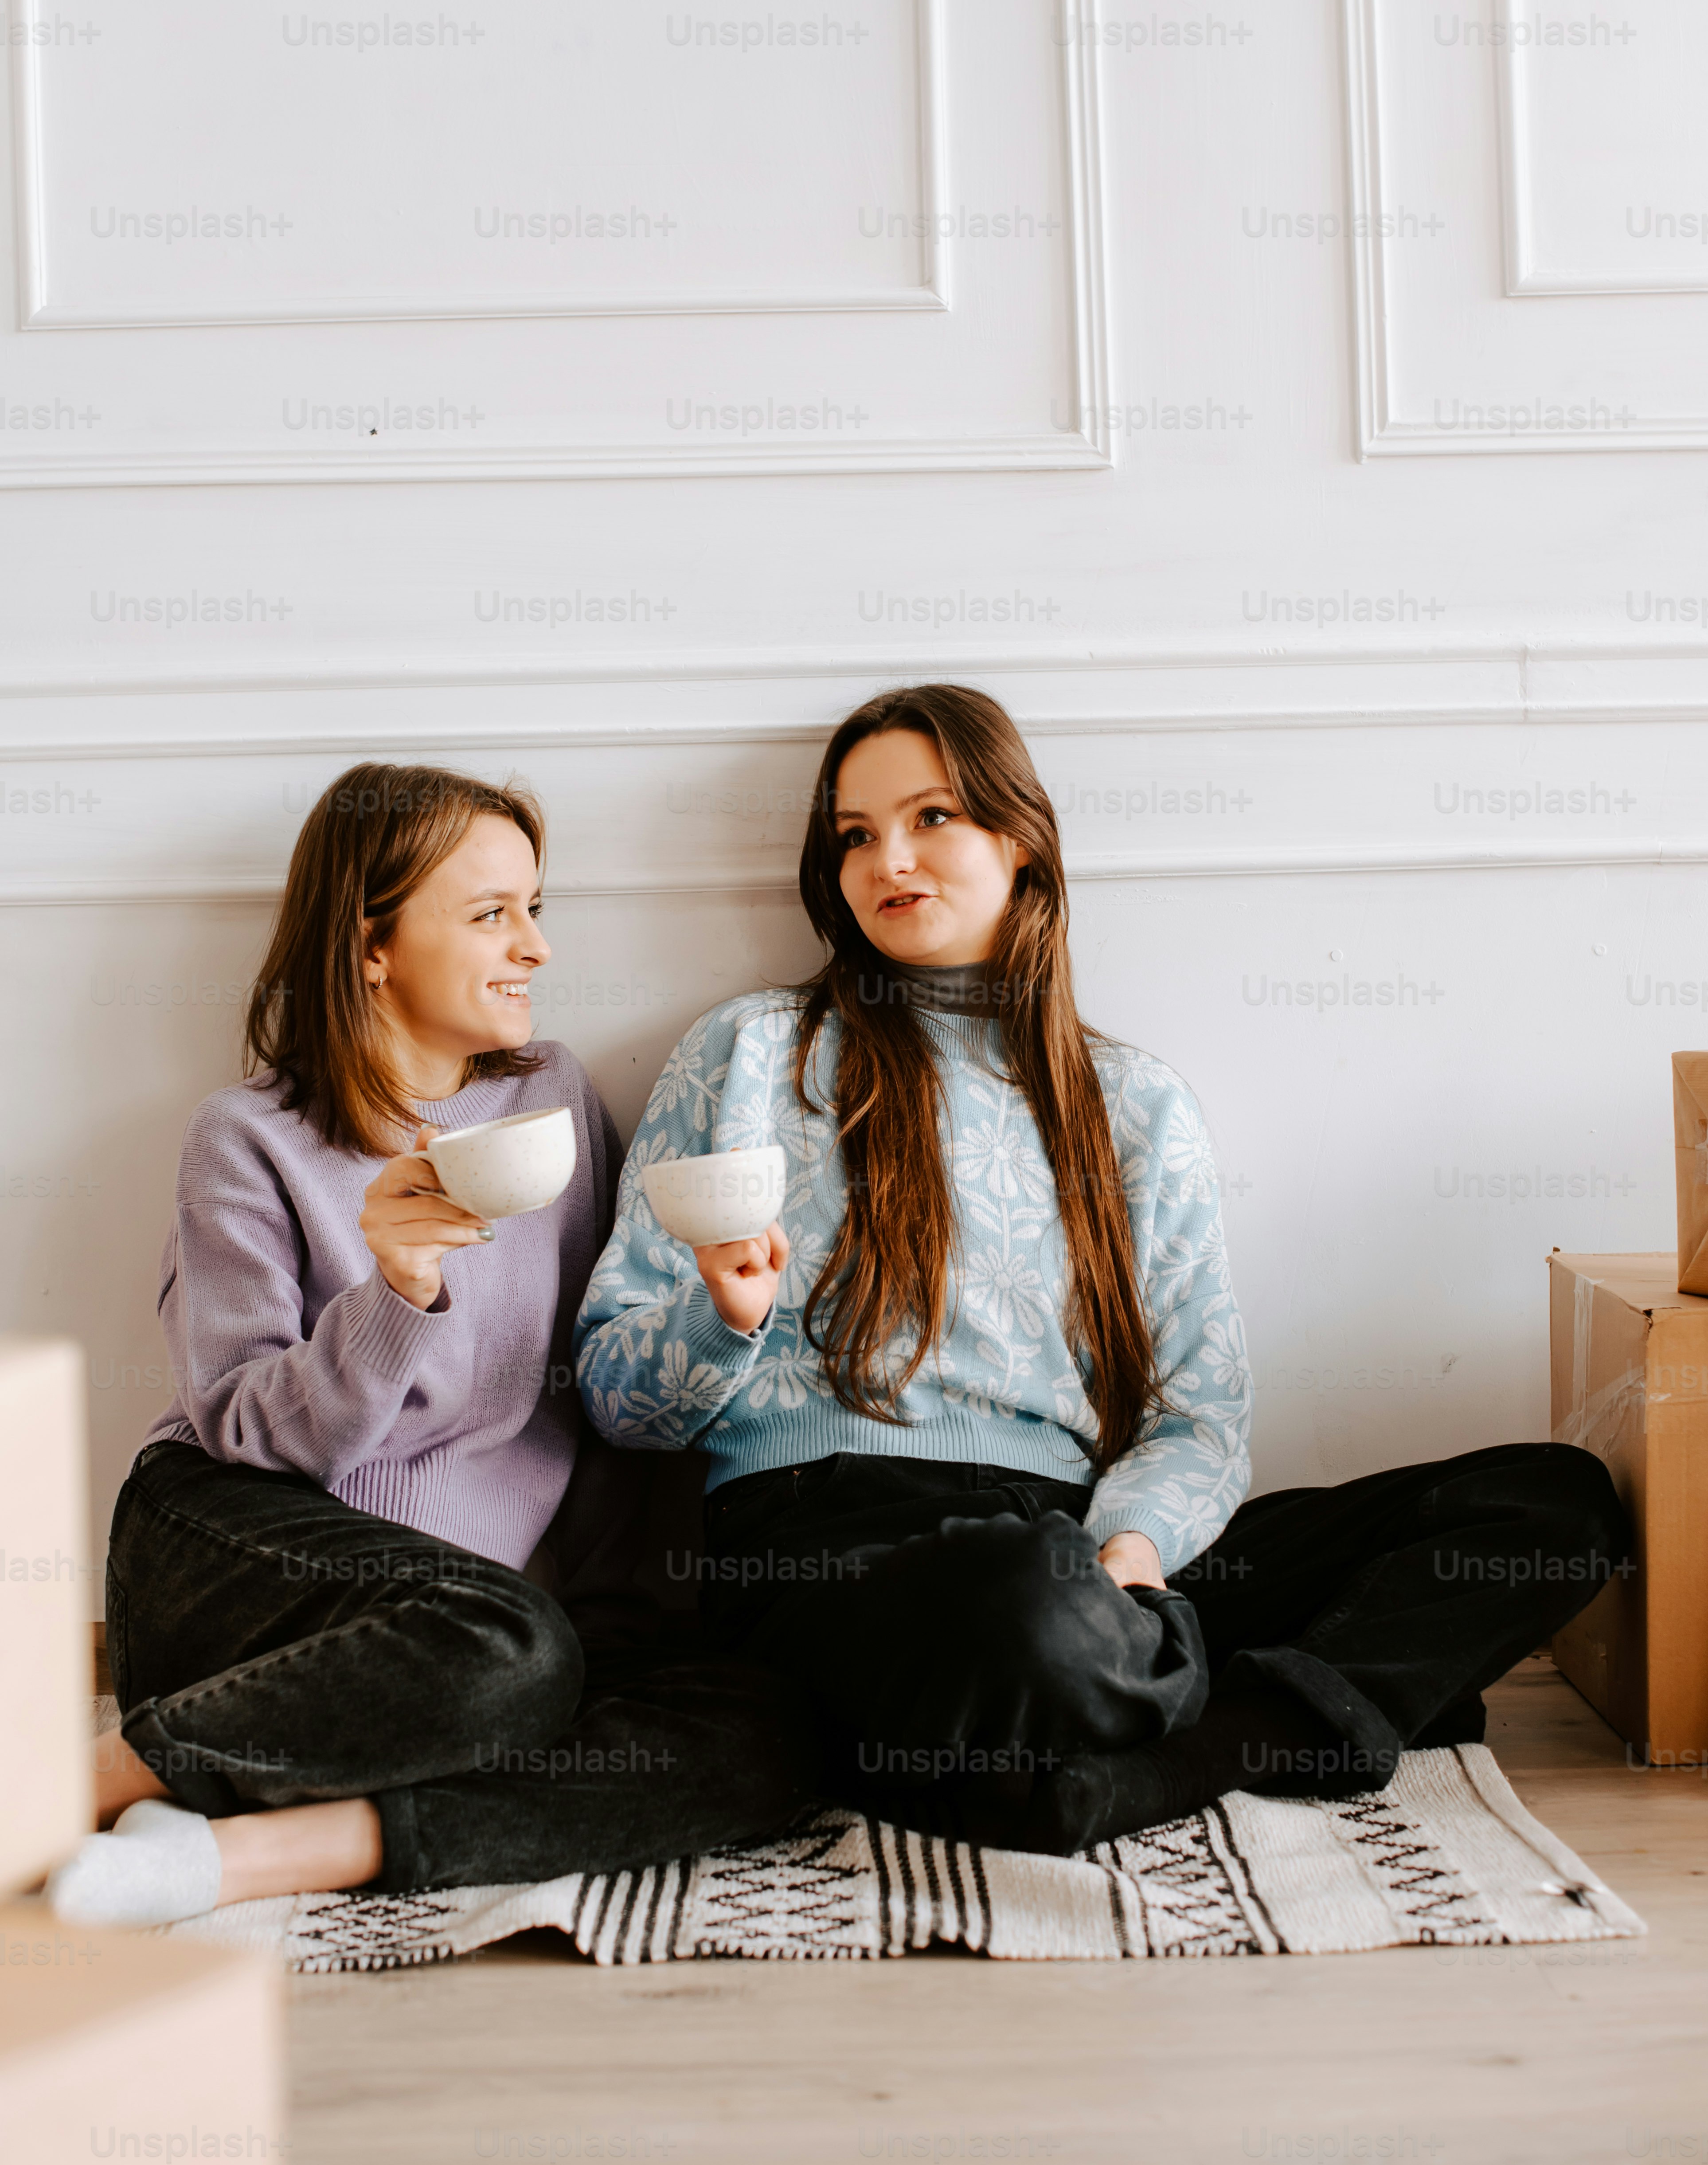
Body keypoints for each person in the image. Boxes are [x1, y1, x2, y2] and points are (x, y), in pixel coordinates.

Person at [575, 685, 1627, 1853]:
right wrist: (724, 1317)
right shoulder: (750, 1050)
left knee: (1557, 1503)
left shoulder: (1134, 1105)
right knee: (1016, 1608)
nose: (890, 858)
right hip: (837, 1552)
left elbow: (1200, 1411)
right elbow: (618, 1400)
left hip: (1089, 1544)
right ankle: (1194, 1697)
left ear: (1019, 839)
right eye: (856, 834)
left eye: (932, 818)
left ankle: (1181, 1742)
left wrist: (1128, 1555)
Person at [51, 763, 813, 1926]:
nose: (537, 949)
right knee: (509, 1651)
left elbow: (585, 1407)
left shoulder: (551, 1102)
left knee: (765, 1730)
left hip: (459, 1636)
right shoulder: (248, 1138)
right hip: (236, 1560)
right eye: (491, 913)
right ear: (372, 944)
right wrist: (396, 1293)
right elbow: (248, 1434)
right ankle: (76, 1783)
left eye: (536, 909)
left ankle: (236, 1852)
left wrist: (619, 1631)